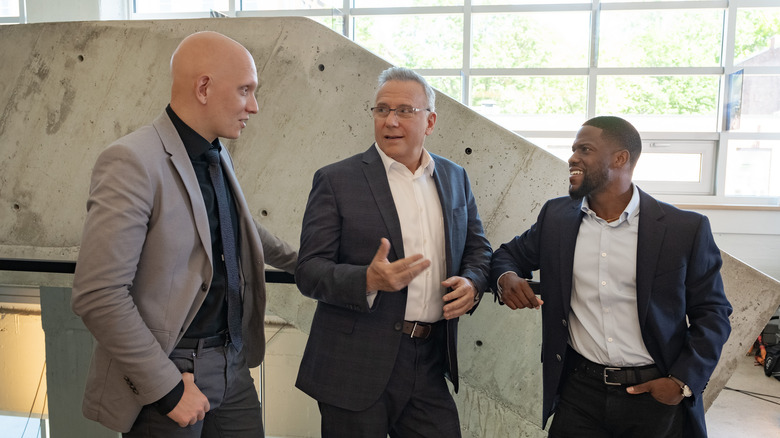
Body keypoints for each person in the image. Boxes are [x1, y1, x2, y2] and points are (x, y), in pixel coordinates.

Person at [71, 31, 297, 437]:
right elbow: (98, 294)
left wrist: (306, 260)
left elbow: (237, 225)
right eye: (245, 90)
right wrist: (169, 389)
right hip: (169, 371)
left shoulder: (215, 152)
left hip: (233, 363)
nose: (254, 106)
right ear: (204, 88)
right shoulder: (130, 161)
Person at [490, 116, 732, 438]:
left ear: (620, 159)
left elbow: (713, 313)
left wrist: (681, 382)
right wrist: (506, 277)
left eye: (585, 149)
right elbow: (508, 255)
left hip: (653, 394)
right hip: (579, 392)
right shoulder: (557, 217)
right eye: (573, 149)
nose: (573, 158)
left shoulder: (683, 229)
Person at [294, 66, 492, 437]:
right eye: (382, 110)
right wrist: (366, 279)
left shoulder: (454, 177)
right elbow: (308, 270)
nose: (390, 121)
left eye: (405, 111)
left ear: (429, 121)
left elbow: (478, 248)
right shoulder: (337, 180)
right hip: (355, 365)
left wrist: (472, 283)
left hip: (430, 360)